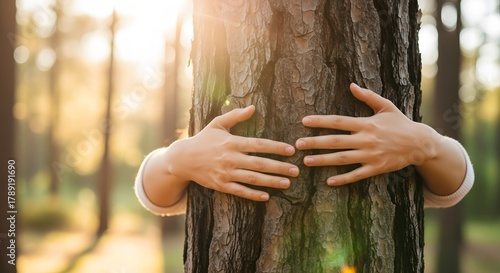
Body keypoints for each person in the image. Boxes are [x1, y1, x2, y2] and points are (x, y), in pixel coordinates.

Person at [134, 83, 474, 216]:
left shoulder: (395, 144)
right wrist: (176, 159)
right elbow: (155, 195)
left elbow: (452, 186)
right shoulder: (209, 149)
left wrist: (424, 144)